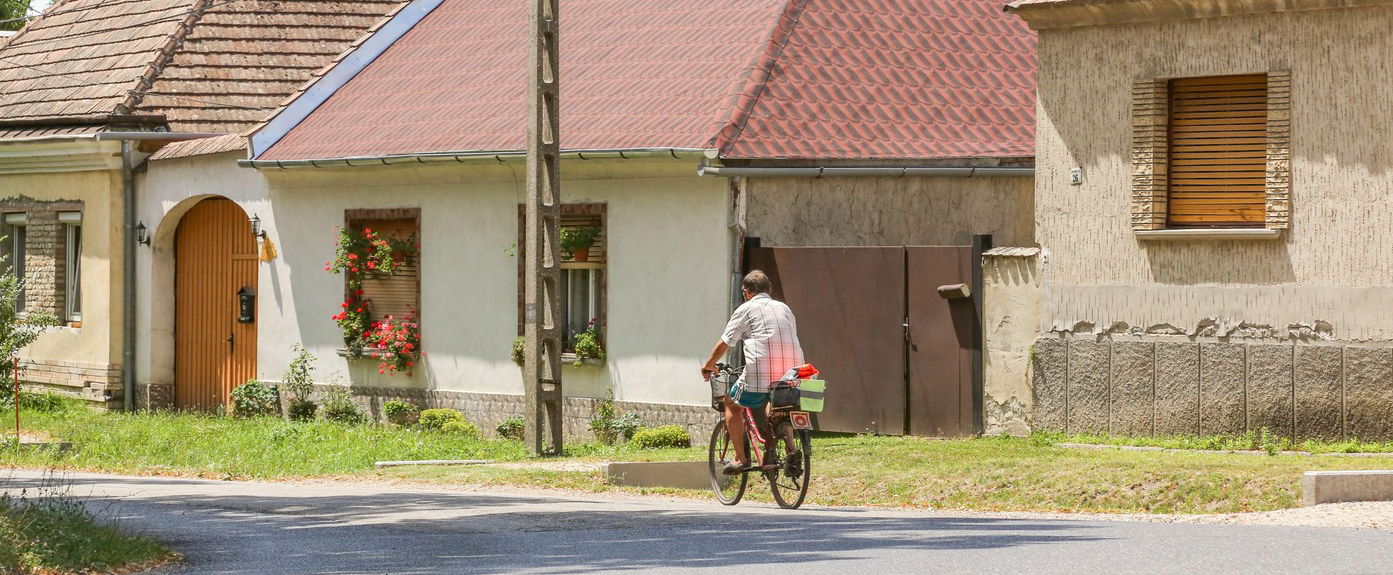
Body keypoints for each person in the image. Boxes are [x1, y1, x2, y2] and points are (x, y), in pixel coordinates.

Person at [701, 270, 804, 475]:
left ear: (746, 292)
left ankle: (740, 458)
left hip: (760, 370)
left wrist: (708, 365)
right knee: (772, 400)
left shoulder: (746, 309)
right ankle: (787, 438)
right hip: (793, 372)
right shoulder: (784, 308)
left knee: (731, 402)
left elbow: (725, 343)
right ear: (769, 289)